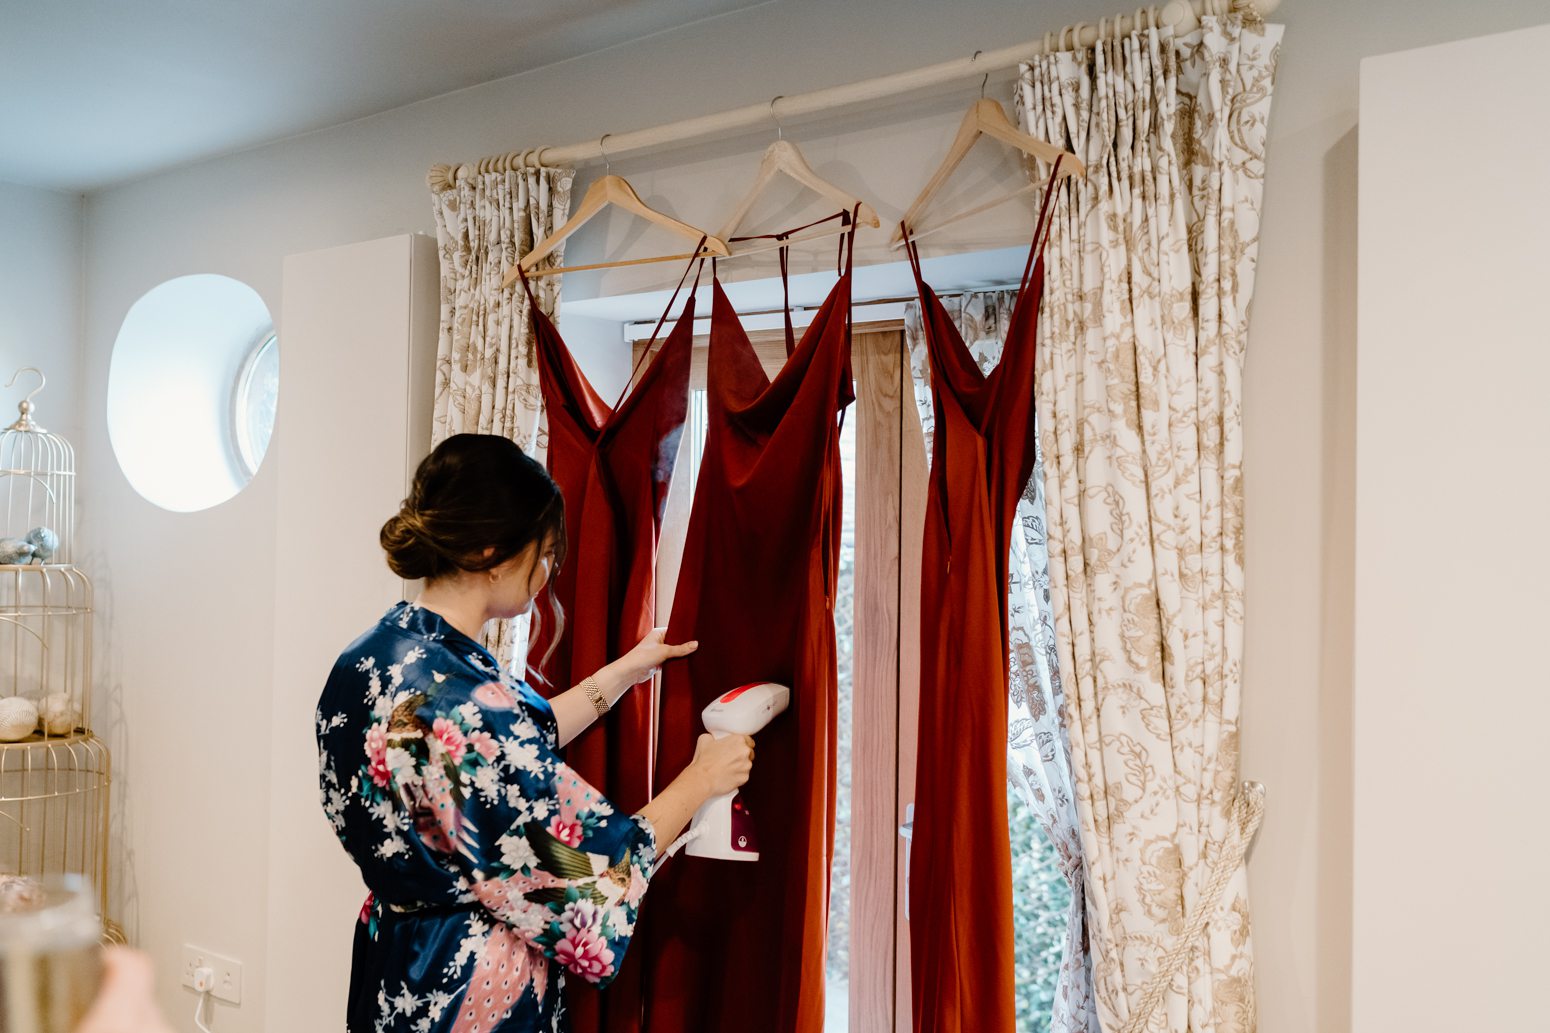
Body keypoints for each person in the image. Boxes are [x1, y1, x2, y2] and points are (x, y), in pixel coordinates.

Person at [316, 433, 753, 1033]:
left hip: (393, 965)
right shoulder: (467, 704)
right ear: (493, 552)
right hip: (466, 985)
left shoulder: (371, 659)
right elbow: (591, 876)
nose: (546, 572)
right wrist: (703, 778)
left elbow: (511, 741)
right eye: (543, 552)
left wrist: (623, 673)